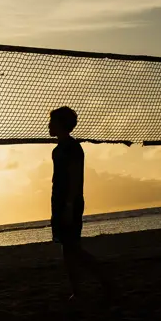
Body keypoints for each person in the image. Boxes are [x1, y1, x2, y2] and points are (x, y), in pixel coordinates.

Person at [49, 107, 117, 302]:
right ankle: (77, 291)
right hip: (60, 202)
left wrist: (70, 205)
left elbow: (75, 178)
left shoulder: (72, 147)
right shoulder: (57, 150)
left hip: (70, 202)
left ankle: (106, 281)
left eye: (52, 122)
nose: (49, 125)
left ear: (61, 124)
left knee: (73, 248)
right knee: (67, 248)